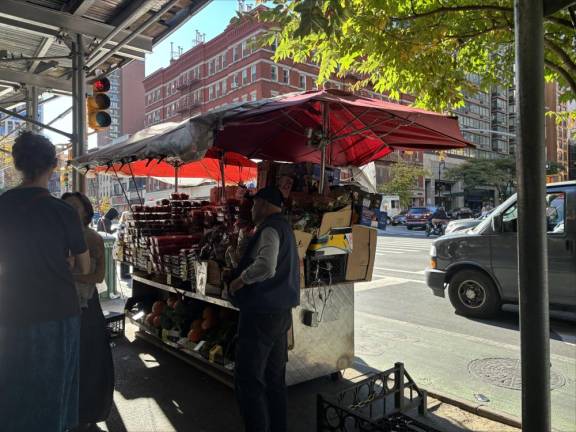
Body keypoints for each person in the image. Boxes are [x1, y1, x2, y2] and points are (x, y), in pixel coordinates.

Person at [0, 131, 90, 432]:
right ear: (53, 166)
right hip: (58, 311)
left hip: (12, 310)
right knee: (54, 391)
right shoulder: (63, 211)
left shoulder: (3, 206)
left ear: (19, 164)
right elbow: (84, 265)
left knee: (13, 385)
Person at [228, 187, 300, 432]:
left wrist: (239, 281)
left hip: (261, 314)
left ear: (266, 204)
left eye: (255, 203)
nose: (252, 208)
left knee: (249, 381)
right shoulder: (285, 228)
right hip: (281, 314)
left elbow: (266, 267)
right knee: (274, 380)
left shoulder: (269, 228)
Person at [63, 192, 115, 432]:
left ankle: (86, 411)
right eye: (65, 206)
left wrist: (69, 276)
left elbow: (99, 276)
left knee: (89, 361)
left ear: (85, 212)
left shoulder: (91, 238)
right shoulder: (57, 236)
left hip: (86, 306)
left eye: (75, 206)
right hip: (61, 305)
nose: (70, 210)